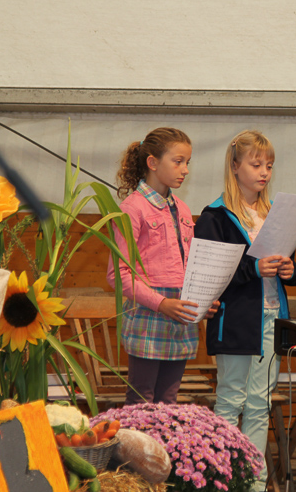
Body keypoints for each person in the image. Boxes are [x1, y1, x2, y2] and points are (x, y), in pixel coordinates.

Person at [194, 130, 296, 492]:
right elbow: (212, 274)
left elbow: (290, 269)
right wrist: (254, 268)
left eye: (269, 165)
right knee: (230, 400)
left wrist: (290, 270)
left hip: (272, 317)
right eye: (256, 164)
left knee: (259, 404)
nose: (264, 172)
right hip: (236, 320)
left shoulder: (273, 215)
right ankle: (221, 480)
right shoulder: (215, 216)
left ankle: (254, 483)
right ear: (235, 166)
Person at [107, 127, 209, 405]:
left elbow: (190, 265)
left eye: (187, 162)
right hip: (149, 313)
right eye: (178, 161)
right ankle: (135, 437)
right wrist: (162, 303)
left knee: (168, 399)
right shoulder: (132, 208)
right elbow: (118, 275)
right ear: (152, 162)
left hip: (180, 312)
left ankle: (162, 438)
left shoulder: (183, 209)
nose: (185, 170)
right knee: (142, 399)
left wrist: (203, 300)